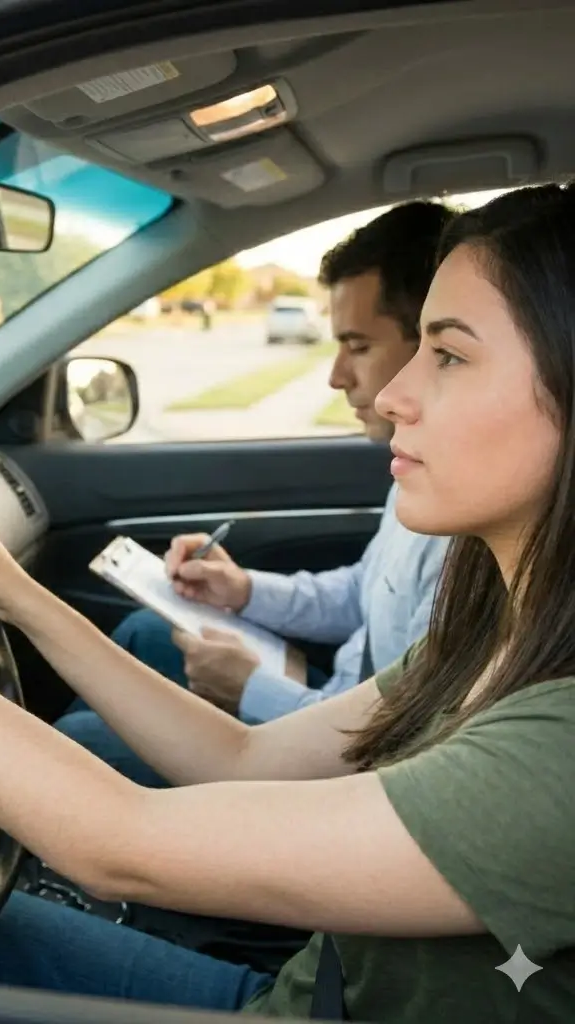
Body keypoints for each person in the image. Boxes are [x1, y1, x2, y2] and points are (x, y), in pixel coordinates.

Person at [0, 183, 575, 1021]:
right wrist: (18, 593)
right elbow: (245, 760)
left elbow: (119, 845)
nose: (391, 394)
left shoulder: (558, 746)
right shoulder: (497, 629)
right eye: (416, 346)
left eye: (451, 356)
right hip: (328, 980)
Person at [57, 202, 455, 787]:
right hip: (330, 702)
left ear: (431, 347)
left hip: (335, 758)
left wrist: (252, 690)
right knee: (146, 631)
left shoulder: (469, 538)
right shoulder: (416, 476)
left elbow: (387, 749)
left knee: (74, 744)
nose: (336, 376)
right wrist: (241, 592)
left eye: (358, 345)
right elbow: (360, 596)